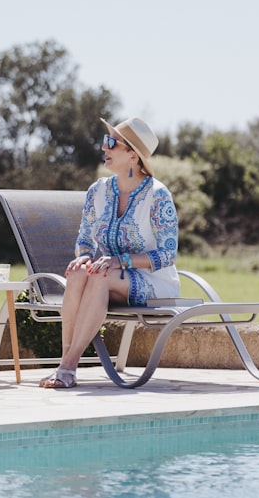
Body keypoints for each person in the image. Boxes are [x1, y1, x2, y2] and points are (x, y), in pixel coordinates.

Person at [39, 117, 180, 389]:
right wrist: (83, 255)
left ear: (132, 156)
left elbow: (167, 255)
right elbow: (85, 238)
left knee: (100, 275)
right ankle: (66, 366)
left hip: (154, 282)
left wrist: (119, 261)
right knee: (80, 272)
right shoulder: (98, 191)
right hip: (107, 274)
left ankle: (68, 366)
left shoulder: (157, 195)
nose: (104, 148)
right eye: (106, 141)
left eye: (111, 143)